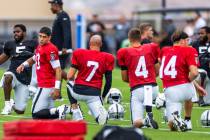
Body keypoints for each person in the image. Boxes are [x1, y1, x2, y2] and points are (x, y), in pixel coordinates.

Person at [16, 27, 69, 119]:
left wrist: (57, 88)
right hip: (45, 85)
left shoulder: (51, 49)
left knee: (35, 114)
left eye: (44, 37)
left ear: (49, 37)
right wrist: (23, 65)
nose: (41, 39)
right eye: (40, 36)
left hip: (46, 86)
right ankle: (61, 113)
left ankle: (64, 109)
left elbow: (58, 69)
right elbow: (34, 58)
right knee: (50, 117)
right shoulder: (40, 46)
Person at [117, 28, 160, 129]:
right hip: (153, 89)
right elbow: (157, 71)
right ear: (141, 38)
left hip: (138, 89)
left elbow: (124, 78)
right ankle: (157, 110)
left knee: (136, 123)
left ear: (129, 39)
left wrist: (134, 78)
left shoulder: (124, 51)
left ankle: (146, 120)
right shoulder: (151, 47)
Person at [67, 35, 114, 124]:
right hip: (94, 95)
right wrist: (102, 97)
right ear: (101, 44)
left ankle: (75, 110)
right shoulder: (108, 57)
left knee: (69, 82)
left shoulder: (79, 53)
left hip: (77, 92)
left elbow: (70, 76)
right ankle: (99, 114)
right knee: (101, 121)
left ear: (89, 44)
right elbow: (108, 83)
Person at [159, 31, 199, 131]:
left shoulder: (164, 50)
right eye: (187, 40)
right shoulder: (189, 50)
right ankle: (187, 120)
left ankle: (176, 119)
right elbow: (194, 73)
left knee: (171, 125)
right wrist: (188, 81)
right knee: (189, 96)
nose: (188, 42)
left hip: (170, 89)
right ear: (181, 41)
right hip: (187, 89)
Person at [0, 24, 37, 115]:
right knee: (7, 77)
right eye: (14, 32)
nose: (15, 34)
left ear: (24, 33)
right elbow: (3, 57)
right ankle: (7, 104)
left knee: (20, 111)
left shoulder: (32, 43)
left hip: (24, 79)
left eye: (18, 31)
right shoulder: (10, 44)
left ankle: (12, 104)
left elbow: (38, 56)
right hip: (13, 73)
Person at [49, 0, 72, 99]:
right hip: (57, 49)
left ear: (57, 5)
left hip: (61, 49)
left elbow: (66, 32)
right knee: (57, 70)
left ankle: (73, 82)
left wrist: (65, 47)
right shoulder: (59, 15)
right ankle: (59, 93)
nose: (51, 7)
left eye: (52, 5)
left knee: (58, 70)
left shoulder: (63, 15)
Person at [192, 26, 210, 106]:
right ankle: (200, 97)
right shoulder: (196, 44)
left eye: (202, 33)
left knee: (208, 102)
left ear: (208, 34)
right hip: (200, 71)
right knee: (202, 73)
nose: (200, 35)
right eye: (199, 33)